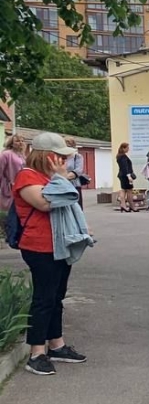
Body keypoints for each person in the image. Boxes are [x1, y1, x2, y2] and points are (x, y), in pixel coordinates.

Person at [17, 133, 87, 376]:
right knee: (44, 298)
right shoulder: (27, 177)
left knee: (57, 296)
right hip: (39, 247)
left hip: (60, 245)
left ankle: (56, 344)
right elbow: (48, 202)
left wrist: (60, 177)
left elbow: (69, 195)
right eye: (60, 157)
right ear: (48, 157)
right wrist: (60, 178)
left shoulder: (49, 177)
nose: (64, 161)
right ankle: (36, 353)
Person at [0, 135, 27, 213]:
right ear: (12, 143)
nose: (20, 143)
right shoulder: (5, 154)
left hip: (20, 185)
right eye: (17, 141)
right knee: (9, 210)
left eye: (22, 141)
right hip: (9, 186)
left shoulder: (22, 155)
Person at [62, 138, 87, 211]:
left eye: (68, 146)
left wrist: (63, 177)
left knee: (77, 208)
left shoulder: (77, 157)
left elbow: (78, 171)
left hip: (74, 185)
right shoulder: (61, 157)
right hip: (62, 185)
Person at [115, 143, 137, 213]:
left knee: (123, 190)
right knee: (129, 191)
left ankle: (123, 205)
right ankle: (131, 206)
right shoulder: (123, 157)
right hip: (126, 176)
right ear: (123, 148)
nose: (128, 149)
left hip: (122, 175)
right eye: (127, 148)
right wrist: (129, 176)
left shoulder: (119, 156)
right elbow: (125, 167)